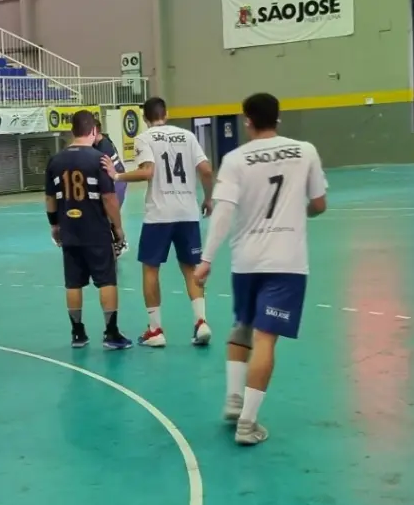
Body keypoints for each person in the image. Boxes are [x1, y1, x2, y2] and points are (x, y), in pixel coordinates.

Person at [193, 93, 327, 446]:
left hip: (246, 261)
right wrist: (304, 212)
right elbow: (319, 204)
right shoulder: (305, 151)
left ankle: (234, 400)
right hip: (287, 262)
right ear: (278, 119)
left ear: (247, 120)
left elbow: (222, 212)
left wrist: (206, 259)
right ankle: (247, 424)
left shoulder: (235, 159)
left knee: (243, 325)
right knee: (266, 339)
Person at [103, 96, 215, 348]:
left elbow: (148, 171)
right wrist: (208, 198)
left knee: (151, 269)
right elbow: (206, 170)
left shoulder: (145, 138)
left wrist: (117, 174)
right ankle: (201, 322)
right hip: (187, 213)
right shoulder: (188, 136)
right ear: (167, 114)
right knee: (190, 268)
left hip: (160, 215)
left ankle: (155, 330)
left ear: (144, 118)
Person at [45, 110, 132, 349]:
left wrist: (54, 226)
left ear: (73, 131)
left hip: (70, 231)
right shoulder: (99, 159)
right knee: (106, 281)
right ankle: (111, 333)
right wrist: (118, 228)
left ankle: (77, 333)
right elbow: (109, 199)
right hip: (96, 230)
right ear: (93, 130)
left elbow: (50, 200)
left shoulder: (56, 160)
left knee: (73, 283)